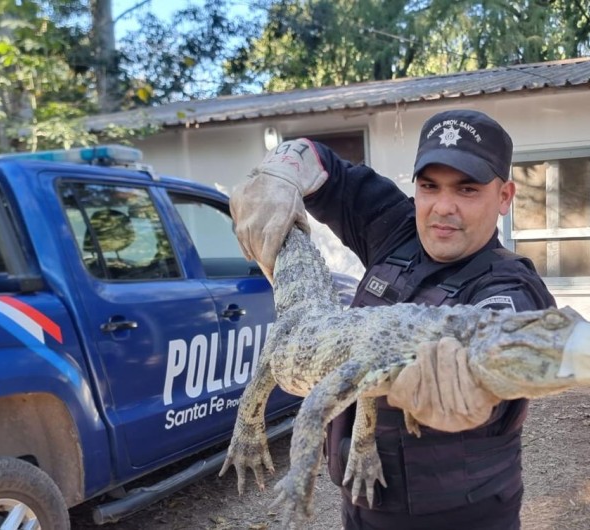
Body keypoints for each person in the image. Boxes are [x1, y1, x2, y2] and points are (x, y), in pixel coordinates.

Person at [229, 109, 556, 529]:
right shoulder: (399, 228)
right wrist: (281, 170)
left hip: (458, 517)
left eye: (467, 189)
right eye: (428, 186)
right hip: (364, 502)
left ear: (505, 197)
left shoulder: (509, 286)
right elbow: (327, 169)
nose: (442, 208)